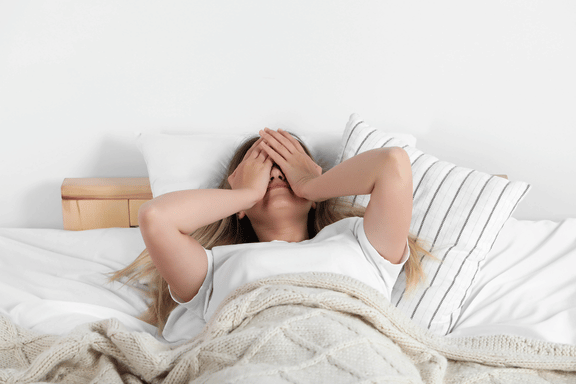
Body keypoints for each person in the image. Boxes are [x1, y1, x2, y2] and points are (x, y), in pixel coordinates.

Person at [112, 128, 430, 342]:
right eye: (263, 168)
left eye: (286, 167)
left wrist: (309, 183)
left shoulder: (360, 243)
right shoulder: (212, 268)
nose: (276, 172)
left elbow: (392, 164)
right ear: (237, 202)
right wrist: (246, 193)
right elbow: (155, 218)